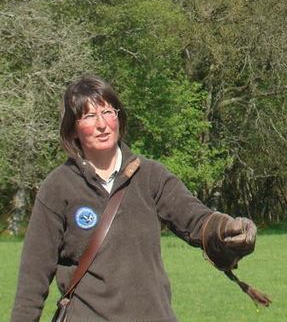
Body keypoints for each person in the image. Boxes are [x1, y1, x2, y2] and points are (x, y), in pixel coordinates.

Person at [11, 74, 262, 321]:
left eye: (108, 112)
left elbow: (196, 219)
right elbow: (33, 277)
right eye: (89, 116)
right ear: (73, 129)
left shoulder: (150, 175)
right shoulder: (58, 186)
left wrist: (227, 229)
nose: (102, 124)